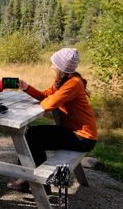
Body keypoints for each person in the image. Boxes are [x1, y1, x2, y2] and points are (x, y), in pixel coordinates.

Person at [7, 48, 97, 193]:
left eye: (54, 64)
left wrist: (48, 100)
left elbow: (48, 104)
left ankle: (37, 183)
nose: (51, 67)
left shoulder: (74, 83)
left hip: (83, 137)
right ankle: (32, 180)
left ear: (62, 68)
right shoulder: (62, 80)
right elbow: (45, 96)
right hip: (72, 131)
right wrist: (27, 88)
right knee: (33, 135)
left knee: (32, 136)